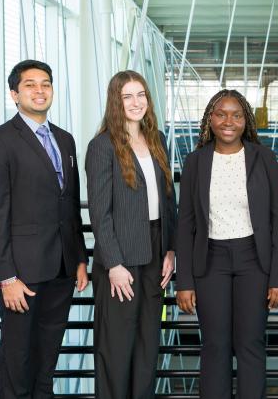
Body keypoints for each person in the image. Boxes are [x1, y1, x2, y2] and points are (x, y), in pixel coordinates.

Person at [0, 59, 89, 398]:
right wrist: (6, 277)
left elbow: (70, 204)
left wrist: (80, 258)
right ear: (14, 93)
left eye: (45, 84)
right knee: (17, 357)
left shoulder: (66, 140)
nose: (39, 90)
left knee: (47, 356)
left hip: (62, 267)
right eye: (30, 85)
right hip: (22, 273)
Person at [175, 89, 278, 399]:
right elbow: (185, 224)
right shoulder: (196, 161)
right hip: (210, 261)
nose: (229, 121)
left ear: (246, 121)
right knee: (214, 344)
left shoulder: (263, 158)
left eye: (236, 115)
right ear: (210, 119)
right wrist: (183, 281)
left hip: (254, 260)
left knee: (251, 343)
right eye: (221, 114)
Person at [85, 71, 177, 399]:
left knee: (147, 344)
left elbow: (168, 199)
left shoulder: (157, 140)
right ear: (116, 101)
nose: (136, 102)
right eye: (127, 96)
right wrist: (113, 264)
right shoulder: (102, 146)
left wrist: (170, 250)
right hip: (121, 257)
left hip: (155, 253)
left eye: (141, 95)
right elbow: (99, 212)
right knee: (116, 347)